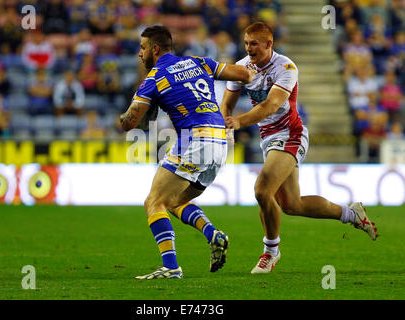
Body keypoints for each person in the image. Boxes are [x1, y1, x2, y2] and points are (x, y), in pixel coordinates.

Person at [222, 22, 378, 274]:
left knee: (263, 190)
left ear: (269, 44)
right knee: (292, 205)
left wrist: (239, 121)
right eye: (246, 43)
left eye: (254, 44)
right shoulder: (241, 68)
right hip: (268, 138)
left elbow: (271, 105)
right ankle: (352, 214)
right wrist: (227, 128)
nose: (249, 48)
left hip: (290, 134)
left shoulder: (286, 67)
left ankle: (270, 252)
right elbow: (226, 104)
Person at [118, 25, 255, 280]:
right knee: (173, 202)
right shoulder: (199, 62)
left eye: (143, 48)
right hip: (220, 142)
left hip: (194, 139)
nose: (140, 54)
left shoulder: (154, 78)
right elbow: (244, 75)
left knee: (153, 202)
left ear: (155, 49)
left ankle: (171, 267)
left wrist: (126, 114)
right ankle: (213, 234)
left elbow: (129, 122)